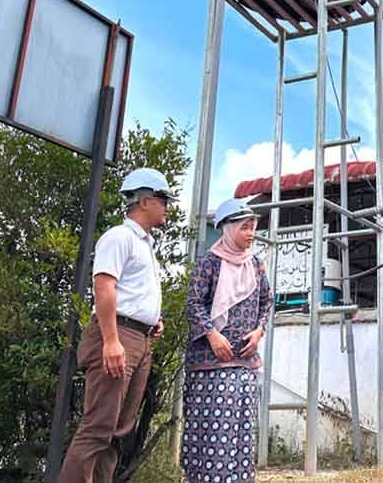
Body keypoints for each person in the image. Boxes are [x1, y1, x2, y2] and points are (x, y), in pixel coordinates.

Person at [60, 168, 175, 482]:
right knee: (98, 427)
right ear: (145, 200)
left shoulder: (144, 244)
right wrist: (111, 340)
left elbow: (129, 292)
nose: (167, 206)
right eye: (163, 199)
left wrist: (153, 320)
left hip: (140, 338)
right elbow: (104, 286)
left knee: (117, 431)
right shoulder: (119, 237)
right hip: (117, 335)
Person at [182, 196, 273, 483]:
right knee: (212, 431)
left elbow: (267, 302)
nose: (250, 234)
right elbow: (194, 303)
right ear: (228, 228)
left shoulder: (256, 265)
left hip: (244, 365)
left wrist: (259, 331)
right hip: (210, 366)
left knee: (240, 434)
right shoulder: (209, 263)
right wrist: (212, 335)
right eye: (245, 227)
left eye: (253, 227)